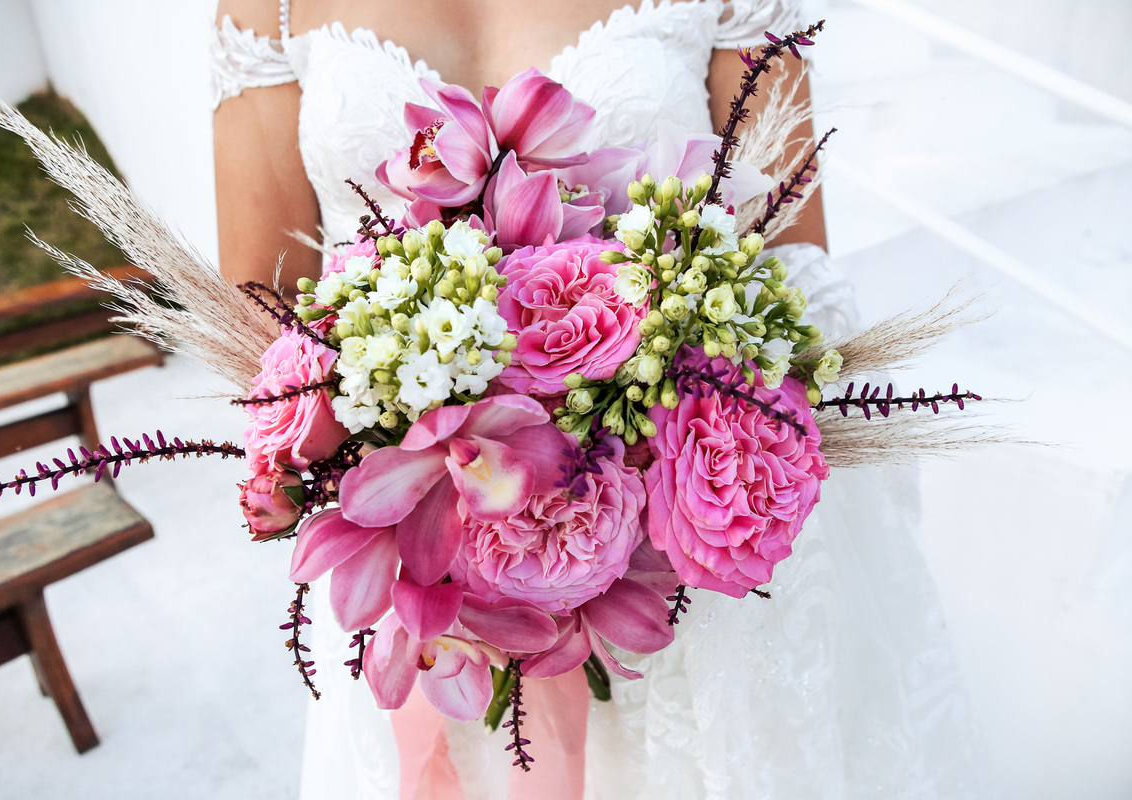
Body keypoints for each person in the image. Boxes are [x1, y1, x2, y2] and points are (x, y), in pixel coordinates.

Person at [210, 2, 984, 797]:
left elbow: (793, 264)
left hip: (693, 579)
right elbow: (259, 326)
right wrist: (446, 516)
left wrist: (685, 470)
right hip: (430, 606)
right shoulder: (265, 13)